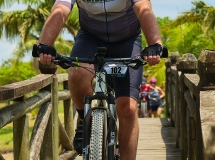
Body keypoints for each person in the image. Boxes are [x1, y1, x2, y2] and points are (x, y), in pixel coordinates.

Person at [33, 0, 163, 159]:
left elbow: (144, 8)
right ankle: (83, 121)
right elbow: (60, 10)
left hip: (127, 41)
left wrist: (154, 44)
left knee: (128, 108)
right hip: (90, 38)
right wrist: (45, 45)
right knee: (76, 73)